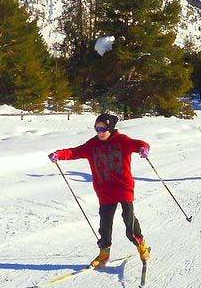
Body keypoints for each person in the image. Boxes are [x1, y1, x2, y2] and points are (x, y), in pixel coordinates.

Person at [48, 113, 151, 267]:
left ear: (110, 128)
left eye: (103, 129)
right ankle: (104, 254)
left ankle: (142, 246)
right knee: (105, 224)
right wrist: (59, 154)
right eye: (97, 129)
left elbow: (140, 144)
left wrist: (143, 149)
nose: (99, 132)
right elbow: (75, 152)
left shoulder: (122, 141)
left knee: (129, 222)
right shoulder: (92, 144)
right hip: (104, 191)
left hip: (123, 188)